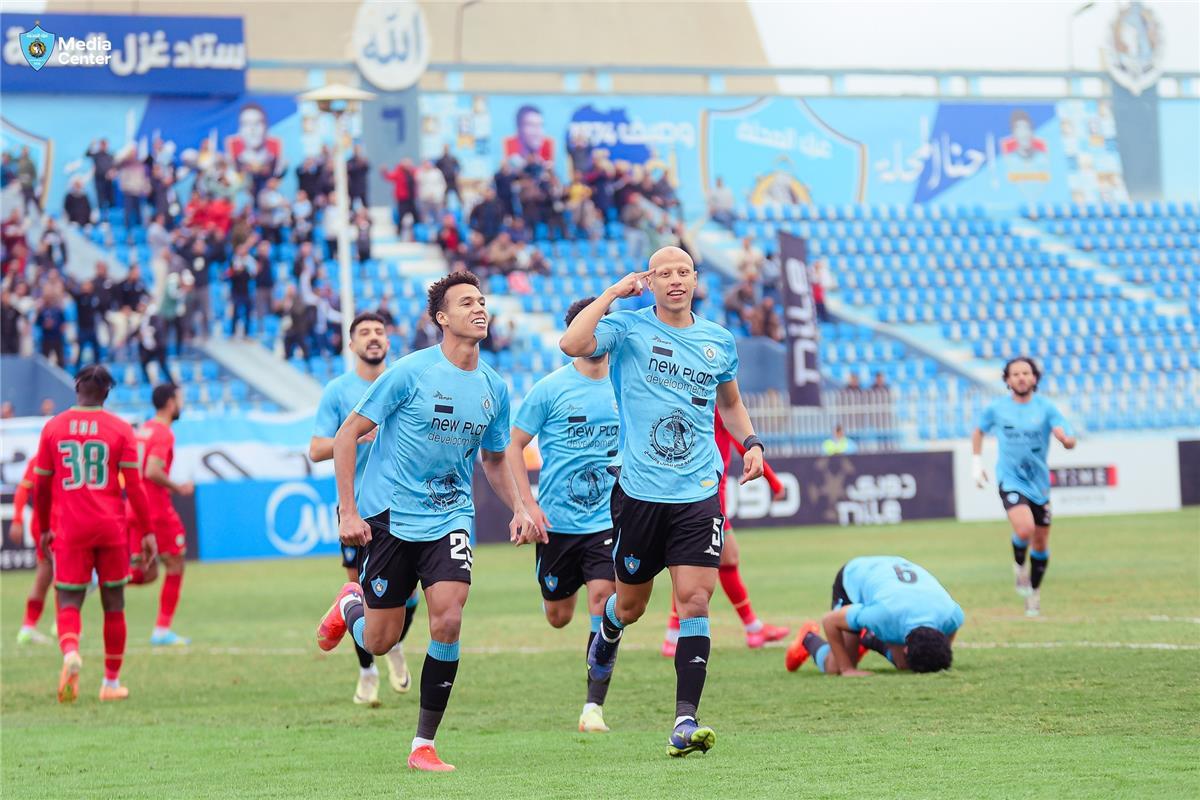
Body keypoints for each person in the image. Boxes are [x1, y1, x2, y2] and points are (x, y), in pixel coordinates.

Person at [315, 272, 537, 772]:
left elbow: (496, 459)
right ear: (442, 318)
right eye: (466, 303)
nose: (479, 308)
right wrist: (348, 511)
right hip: (392, 514)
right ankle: (351, 605)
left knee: (448, 617)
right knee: (380, 639)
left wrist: (521, 507)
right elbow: (348, 435)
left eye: (482, 301)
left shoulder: (494, 387)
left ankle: (423, 745)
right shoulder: (410, 372)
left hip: (452, 515)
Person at [559, 246, 765, 758]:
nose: (676, 280)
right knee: (628, 606)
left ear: (696, 279)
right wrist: (611, 294)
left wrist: (752, 443)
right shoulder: (627, 329)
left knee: (695, 600)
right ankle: (607, 634)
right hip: (639, 496)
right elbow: (572, 342)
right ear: (650, 281)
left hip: (699, 492)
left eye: (684, 272)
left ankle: (684, 719)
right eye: (665, 273)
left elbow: (731, 402)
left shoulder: (718, 340)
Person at [506, 297, 621, 734]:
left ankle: (593, 706)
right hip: (556, 522)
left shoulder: (624, 384)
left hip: (607, 520)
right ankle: (552, 592)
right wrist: (528, 504)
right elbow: (514, 445)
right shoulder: (551, 388)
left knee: (603, 601)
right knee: (559, 616)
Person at [309, 312, 415, 707]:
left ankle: (396, 645)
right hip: (360, 509)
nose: (373, 338)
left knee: (410, 591)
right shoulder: (338, 391)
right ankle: (368, 671)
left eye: (380, 332)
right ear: (351, 345)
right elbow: (317, 447)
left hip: (406, 503)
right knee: (362, 590)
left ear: (388, 342)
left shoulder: (404, 381)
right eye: (364, 333)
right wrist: (356, 435)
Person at [33, 365, 156, 703]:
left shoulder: (53, 428)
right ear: (106, 393)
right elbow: (135, 486)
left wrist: (43, 527)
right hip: (111, 528)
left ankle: (71, 651)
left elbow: (41, 486)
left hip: (70, 528)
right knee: (114, 604)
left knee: (69, 599)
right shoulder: (119, 429)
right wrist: (146, 532)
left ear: (77, 390)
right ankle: (111, 684)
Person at [662, 410, 789, 655]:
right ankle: (673, 636)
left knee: (726, 560)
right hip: (707, 497)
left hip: (701, 493)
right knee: (690, 563)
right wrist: (774, 482)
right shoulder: (718, 403)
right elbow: (744, 446)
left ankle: (752, 628)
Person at [972, 357, 1076, 617]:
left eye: (1025, 373)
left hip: (1038, 484)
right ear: (1007, 380)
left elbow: (1066, 432)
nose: (1020, 377)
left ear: (1034, 378)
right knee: (1025, 528)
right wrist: (976, 464)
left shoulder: (1046, 407)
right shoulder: (997, 409)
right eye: (1015, 373)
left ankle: (1034, 594)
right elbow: (978, 431)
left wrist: (1066, 440)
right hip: (1010, 479)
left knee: (1041, 542)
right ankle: (1019, 565)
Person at [784, 556, 964, 675]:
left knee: (904, 665)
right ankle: (807, 638)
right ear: (906, 647)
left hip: (891, 581)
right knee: (834, 667)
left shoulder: (951, 616)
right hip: (855, 576)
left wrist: (939, 651)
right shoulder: (882, 615)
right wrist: (848, 669)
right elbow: (830, 621)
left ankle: (868, 637)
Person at [126, 383, 195, 645]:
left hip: (134, 506)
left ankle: (103, 579)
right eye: (179, 399)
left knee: (148, 572)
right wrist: (178, 487)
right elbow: (152, 470)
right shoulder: (164, 433)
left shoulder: (142, 430)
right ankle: (162, 630)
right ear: (169, 403)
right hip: (155, 508)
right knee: (176, 563)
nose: (181, 404)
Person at [11, 449, 54, 645]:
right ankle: (63, 624)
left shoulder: (40, 458)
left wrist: (18, 520)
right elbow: (23, 489)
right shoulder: (43, 458)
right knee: (66, 573)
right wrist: (17, 519)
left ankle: (28, 627)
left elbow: (22, 489)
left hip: (46, 524)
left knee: (45, 574)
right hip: (53, 525)